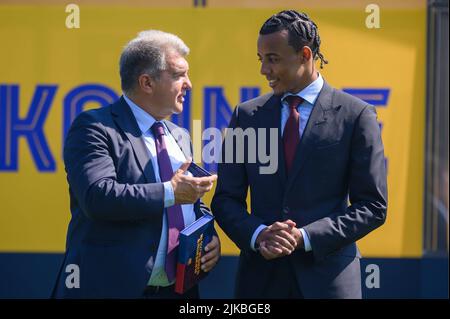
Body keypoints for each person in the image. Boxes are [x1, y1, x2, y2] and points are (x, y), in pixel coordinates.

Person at [211, 10, 387, 299]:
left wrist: (304, 238)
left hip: (329, 283)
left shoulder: (356, 115)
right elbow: (225, 199)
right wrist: (258, 235)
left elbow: (372, 206)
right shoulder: (246, 116)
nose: (264, 70)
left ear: (305, 54)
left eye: (273, 59)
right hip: (259, 282)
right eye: (261, 59)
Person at [52, 30, 220, 299]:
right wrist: (169, 192)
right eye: (179, 75)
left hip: (176, 292)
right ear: (147, 82)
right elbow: (97, 197)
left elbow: (190, 201)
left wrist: (209, 240)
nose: (188, 84)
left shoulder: (179, 136)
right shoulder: (95, 127)